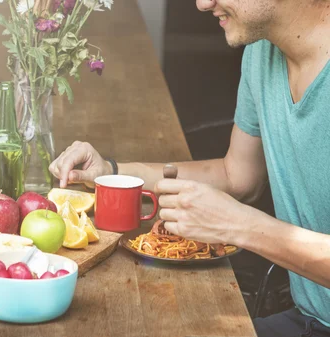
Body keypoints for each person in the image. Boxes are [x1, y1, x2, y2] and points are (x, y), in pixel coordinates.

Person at [49, 0, 330, 336]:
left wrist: (242, 227)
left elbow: (241, 216)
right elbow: (236, 176)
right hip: (308, 320)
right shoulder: (262, 53)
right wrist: (113, 172)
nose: (202, 3)